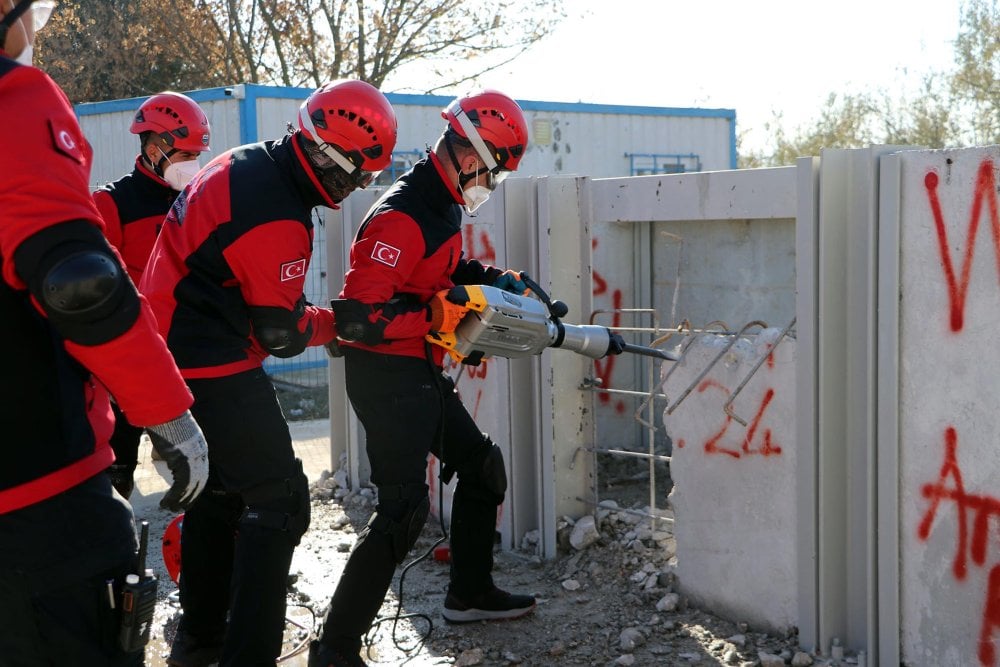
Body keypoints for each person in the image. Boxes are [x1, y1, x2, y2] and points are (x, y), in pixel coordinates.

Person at [138, 79, 398, 666]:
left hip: (173, 343)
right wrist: (343, 325)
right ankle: (245, 654)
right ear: (332, 158)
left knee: (221, 495)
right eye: (358, 174)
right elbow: (282, 334)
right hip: (206, 358)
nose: (357, 186)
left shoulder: (248, 160)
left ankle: (201, 639)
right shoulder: (277, 213)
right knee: (282, 500)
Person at [0, 1, 210, 666]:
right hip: (36, 487)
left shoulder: (187, 202)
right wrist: (167, 413)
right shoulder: (15, 101)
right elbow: (81, 283)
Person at [311, 89, 536, 667]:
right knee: (404, 510)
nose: (491, 182)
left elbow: (438, 269)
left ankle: (470, 594)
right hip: (385, 373)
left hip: (418, 366)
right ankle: (334, 649)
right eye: (493, 170)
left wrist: (492, 281)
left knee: (483, 468)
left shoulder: (441, 202)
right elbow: (357, 319)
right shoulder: (403, 213)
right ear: (469, 155)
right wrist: (435, 316)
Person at [93, 91, 211, 498]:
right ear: (154, 146)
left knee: (202, 480)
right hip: (125, 370)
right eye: (183, 154)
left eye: (196, 154)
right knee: (115, 482)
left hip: (187, 361)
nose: (191, 165)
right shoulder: (111, 203)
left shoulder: (197, 200)